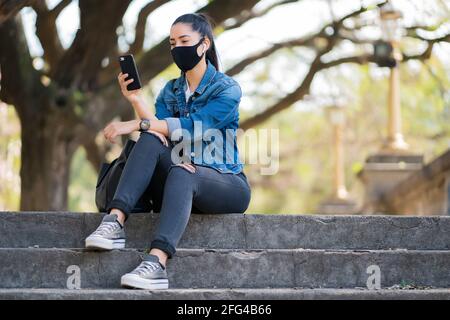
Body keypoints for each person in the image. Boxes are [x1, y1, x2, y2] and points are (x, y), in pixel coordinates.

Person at [84, 12, 251, 290]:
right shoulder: (171, 90)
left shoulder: (227, 88)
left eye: (184, 40)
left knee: (181, 169)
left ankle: (156, 264)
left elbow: (196, 127)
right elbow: (160, 132)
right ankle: (114, 221)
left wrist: (138, 122)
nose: (177, 48)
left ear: (204, 44)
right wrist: (136, 100)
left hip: (224, 183)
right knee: (149, 139)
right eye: (173, 43)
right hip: (179, 174)